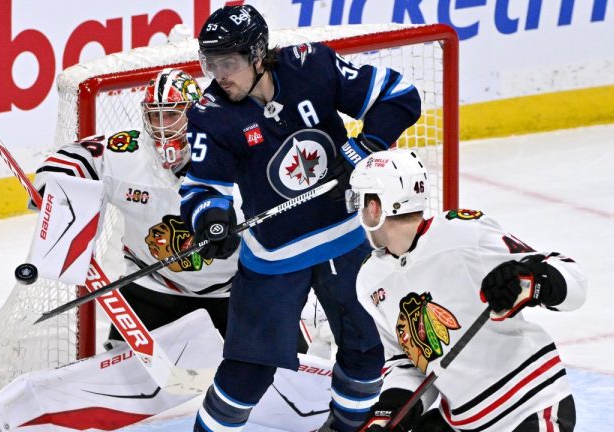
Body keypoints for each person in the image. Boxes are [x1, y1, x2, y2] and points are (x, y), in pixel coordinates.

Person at [178, 5, 422, 432]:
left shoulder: (313, 65)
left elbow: (401, 96)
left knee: (365, 351)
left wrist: (365, 147)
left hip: (347, 238)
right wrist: (211, 220)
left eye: (228, 63)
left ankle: (346, 428)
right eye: (210, 63)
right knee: (246, 372)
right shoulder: (209, 113)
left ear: (258, 55)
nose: (218, 74)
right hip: (274, 254)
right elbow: (201, 188)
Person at [348, 149, 586, 432]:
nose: (359, 212)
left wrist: (531, 282)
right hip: (464, 421)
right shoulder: (371, 280)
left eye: (360, 202)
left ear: (375, 207)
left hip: (530, 405)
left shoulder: (463, 233)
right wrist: (388, 413)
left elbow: (574, 281)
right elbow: (408, 364)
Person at [34, 68, 238, 342]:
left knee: (289, 373)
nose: (162, 126)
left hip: (236, 291)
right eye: (155, 115)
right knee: (120, 378)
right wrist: (56, 187)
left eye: (172, 114)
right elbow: (74, 156)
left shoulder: (230, 149)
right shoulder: (129, 151)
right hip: (151, 288)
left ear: (194, 113)